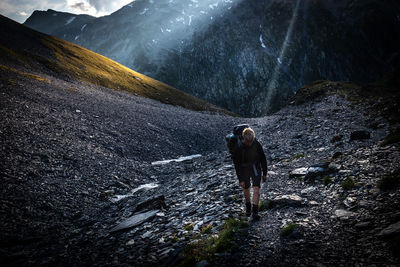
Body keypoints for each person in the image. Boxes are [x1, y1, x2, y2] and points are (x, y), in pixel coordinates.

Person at [232, 127, 267, 220]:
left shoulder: (256, 144)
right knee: (246, 188)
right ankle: (248, 208)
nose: (250, 143)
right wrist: (241, 179)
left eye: (251, 141)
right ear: (243, 138)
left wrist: (265, 173)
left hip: (255, 167)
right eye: (248, 141)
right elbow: (237, 165)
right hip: (244, 170)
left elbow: (263, 158)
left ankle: (255, 212)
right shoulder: (238, 148)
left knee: (256, 189)